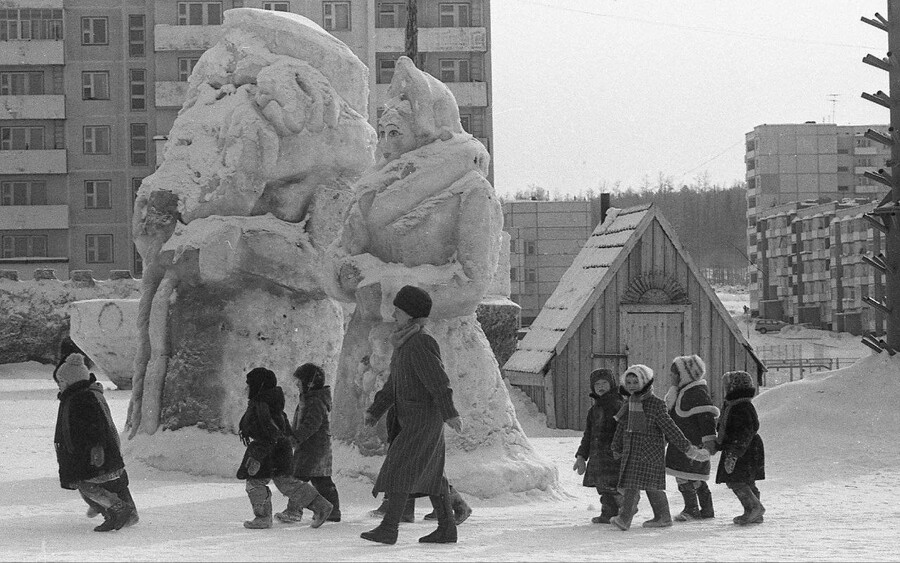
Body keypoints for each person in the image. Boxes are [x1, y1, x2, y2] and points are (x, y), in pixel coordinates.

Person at [361, 285, 463, 545]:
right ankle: (447, 528)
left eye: (397, 310)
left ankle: (389, 528)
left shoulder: (421, 342)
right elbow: (394, 383)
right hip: (411, 418)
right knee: (432, 473)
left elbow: (438, 381)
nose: (393, 314)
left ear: (410, 313)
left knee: (400, 468)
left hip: (423, 419)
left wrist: (450, 413)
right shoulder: (405, 342)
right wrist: (375, 410)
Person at [610, 364, 710, 531]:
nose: (632, 385)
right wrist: (616, 446)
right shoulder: (629, 403)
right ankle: (625, 518)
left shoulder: (656, 404)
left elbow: (670, 428)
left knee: (652, 487)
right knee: (631, 485)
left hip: (650, 453)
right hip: (632, 452)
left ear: (645, 382)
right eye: (629, 382)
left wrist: (687, 448)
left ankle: (662, 517)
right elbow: (621, 427)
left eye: (636, 382)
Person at [237, 367, 333, 529]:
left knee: (255, 483)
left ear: (258, 386)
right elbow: (282, 428)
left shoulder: (261, 406)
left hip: (267, 452)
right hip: (279, 450)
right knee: (287, 483)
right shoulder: (271, 403)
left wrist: (256, 458)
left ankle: (263, 517)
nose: (247, 388)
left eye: (249, 385)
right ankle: (321, 506)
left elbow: (269, 434)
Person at [53, 353, 138, 532]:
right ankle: (123, 512)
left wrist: (97, 447)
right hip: (92, 451)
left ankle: (114, 508)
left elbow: (95, 425)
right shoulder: (80, 396)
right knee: (112, 482)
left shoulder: (81, 398)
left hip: (92, 452)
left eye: (61, 381)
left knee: (86, 484)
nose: (59, 385)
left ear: (72, 381)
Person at [274, 363, 342, 524]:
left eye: (299, 381)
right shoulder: (309, 399)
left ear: (310, 383)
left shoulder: (315, 401)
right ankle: (333, 511)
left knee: (298, 478)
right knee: (321, 479)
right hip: (316, 446)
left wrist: (296, 438)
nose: (296, 385)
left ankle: (294, 511)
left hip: (312, 447)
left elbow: (311, 424)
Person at [664, 355, 719, 520]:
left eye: (674, 373)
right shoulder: (682, 393)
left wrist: (708, 441)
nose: (671, 376)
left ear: (684, 375)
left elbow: (706, 419)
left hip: (691, 445)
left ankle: (692, 509)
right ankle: (706, 509)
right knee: (694, 477)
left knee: (686, 477)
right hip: (682, 444)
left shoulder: (695, 394)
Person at [713, 371, 766, 525]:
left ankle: (754, 507)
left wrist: (733, 453)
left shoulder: (741, 407)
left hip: (743, 450)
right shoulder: (733, 406)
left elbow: (745, 431)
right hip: (743, 448)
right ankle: (753, 512)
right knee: (747, 481)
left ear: (734, 388)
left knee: (736, 480)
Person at [573, 368, 623, 524]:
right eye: (597, 384)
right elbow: (588, 435)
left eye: (604, 383)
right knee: (602, 486)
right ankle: (608, 513)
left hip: (613, 456)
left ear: (611, 384)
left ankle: (624, 508)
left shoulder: (618, 405)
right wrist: (581, 456)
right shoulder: (593, 410)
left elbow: (622, 430)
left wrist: (618, 449)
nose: (601, 387)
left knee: (612, 486)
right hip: (598, 456)